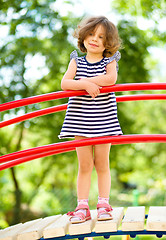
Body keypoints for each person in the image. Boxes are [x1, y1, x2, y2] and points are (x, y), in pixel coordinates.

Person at [59, 16, 123, 223]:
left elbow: (110, 79)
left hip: (104, 119)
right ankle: (82, 206)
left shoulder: (109, 61)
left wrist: (85, 81)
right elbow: (66, 83)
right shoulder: (76, 60)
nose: (94, 39)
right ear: (84, 36)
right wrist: (85, 85)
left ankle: (104, 203)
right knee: (85, 165)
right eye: (91, 34)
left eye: (101, 37)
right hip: (80, 120)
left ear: (108, 43)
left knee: (102, 163)